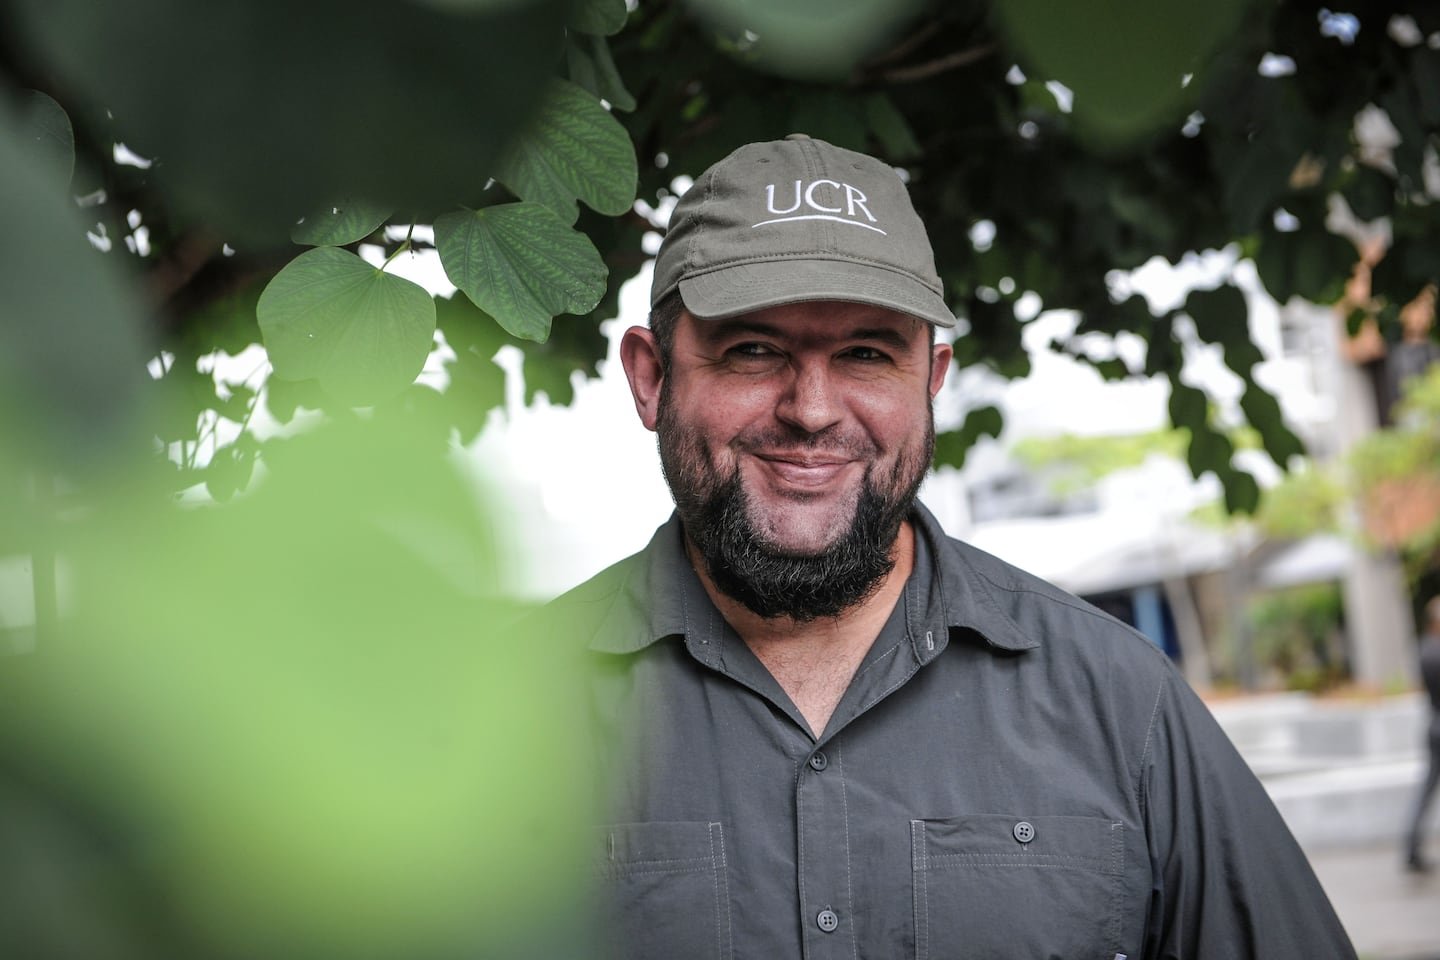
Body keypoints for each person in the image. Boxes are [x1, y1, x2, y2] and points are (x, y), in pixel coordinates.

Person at [548, 135, 1357, 958]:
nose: (813, 410)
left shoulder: (1118, 698)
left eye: (866, 353)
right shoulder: (507, 712)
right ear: (651, 378)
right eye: (753, 350)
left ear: (931, 381)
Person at [1405, 595, 1440, 873]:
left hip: (1434, 725)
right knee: (1427, 791)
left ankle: (1412, 847)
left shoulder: (1426, 648)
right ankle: (1412, 848)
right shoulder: (1434, 651)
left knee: (1426, 791)